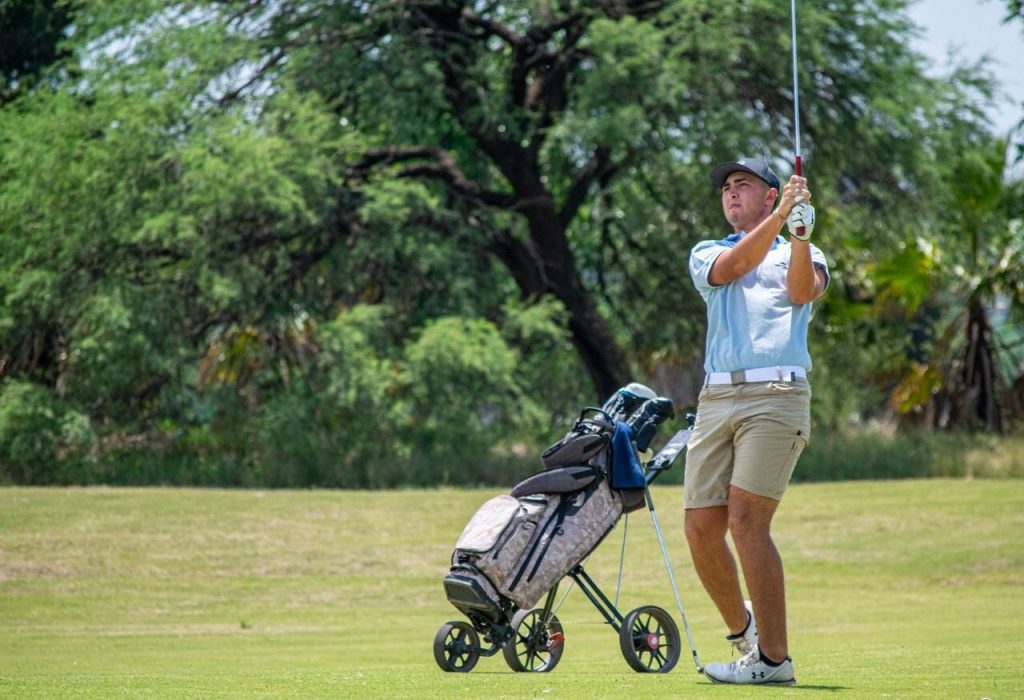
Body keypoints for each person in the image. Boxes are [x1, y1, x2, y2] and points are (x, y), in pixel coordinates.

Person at [684, 157, 828, 686]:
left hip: (777, 393)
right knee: (701, 529)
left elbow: (800, 292)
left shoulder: (802, 248)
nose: (730, 193)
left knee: (746, 521)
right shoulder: (710, 251)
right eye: (725, 187)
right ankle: (745, 636)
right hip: (716, 396)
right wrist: (783, 216)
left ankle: (774, 660)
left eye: (742, 184)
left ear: (771, 194)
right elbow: (733, 269)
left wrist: (799, 232)